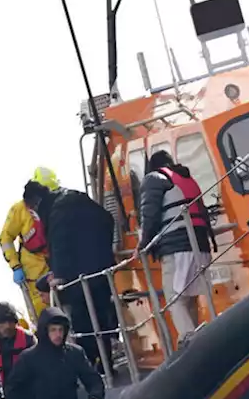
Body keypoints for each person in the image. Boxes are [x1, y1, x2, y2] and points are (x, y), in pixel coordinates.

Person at [39, 176, 120, 376]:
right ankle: (105, 364)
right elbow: (107, 219)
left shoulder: (57, 212)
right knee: (102, 319)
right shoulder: (81, 201)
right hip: (100, 272)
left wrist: (59, 274)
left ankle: (92, 368)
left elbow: (60, 244)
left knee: (84, 324)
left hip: (78, 281)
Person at [139, 150, 217, 341]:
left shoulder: (154, 179)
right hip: (201, 245)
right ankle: (201, 339)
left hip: (176, 247)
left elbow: (150, 215)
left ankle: (190, 341)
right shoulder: (188, 179)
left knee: (175, 297)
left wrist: (143, 244)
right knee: (189, 297)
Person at [0, 167, 57, 323]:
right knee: (41, 316)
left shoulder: (57, 205)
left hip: (56, 266)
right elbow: (5, 238)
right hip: (32, 272)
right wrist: (15, 266)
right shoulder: (19, 210)